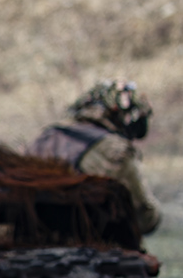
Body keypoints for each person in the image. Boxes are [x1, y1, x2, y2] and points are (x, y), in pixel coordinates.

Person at [27, 79, 162, 234]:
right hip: (86, 240)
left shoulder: (46, 136)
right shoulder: (115, 149)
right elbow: (144, 216)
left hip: (32, 235)